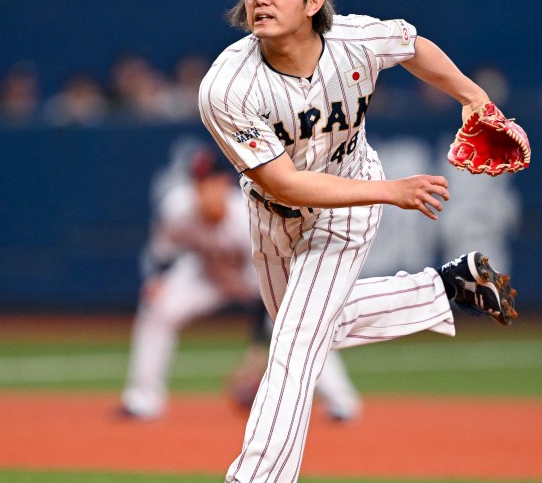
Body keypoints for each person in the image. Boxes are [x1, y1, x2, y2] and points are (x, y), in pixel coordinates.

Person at [149, 0, 519, 483]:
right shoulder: (227, 86)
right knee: (312, 328)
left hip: (342, 214)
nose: (260, 0)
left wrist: (474, 99)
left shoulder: (355, 39)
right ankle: (447, 287)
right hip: (273, 218)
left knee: (292, 347)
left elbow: (413, 45)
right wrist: (390, 191)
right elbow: (282, 181)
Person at [120, 144, 361, 422]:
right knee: (158, 307)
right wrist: (158, 280)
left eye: (209, 183)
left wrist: (255, 354)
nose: (203, 191)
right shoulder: (178, 207)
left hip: (258, 278)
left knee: (294, 321)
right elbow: (163, 251)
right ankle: (143, 399)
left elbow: (265, 291)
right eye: (198, 183)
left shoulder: (246, 216)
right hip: (206, 275)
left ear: (223, 185)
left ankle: (341, 399)